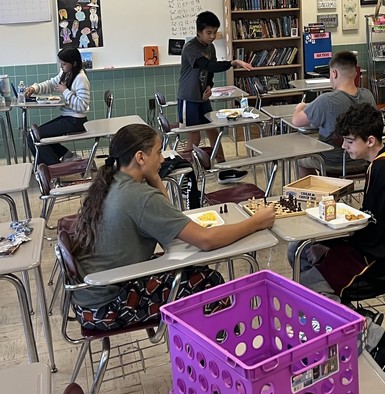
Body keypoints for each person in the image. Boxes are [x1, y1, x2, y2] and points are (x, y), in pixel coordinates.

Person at [70, 124, 275, 330]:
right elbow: (206, 240)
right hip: (109, 306)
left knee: (191, 271)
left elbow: (168, 218)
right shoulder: (139, 196)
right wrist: (256, 222)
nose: (162, 159)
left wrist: (155, 178)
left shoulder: (112, 180)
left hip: (89, 299)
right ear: (140, 157)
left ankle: (201, 344)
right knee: (208, 282)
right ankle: (226, 355)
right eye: (158, 153)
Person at [288, 103, 385, 379]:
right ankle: (355, 317)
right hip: (381, 243)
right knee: (298, 251)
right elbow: (375, 222)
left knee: (311, 291)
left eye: (350, 141)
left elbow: (380, 231)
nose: (345, 147)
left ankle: (384, 343)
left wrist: (333, 244)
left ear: (370, 140)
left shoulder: (383, 171)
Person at [178, 11, 253, 184]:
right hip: (188, 99)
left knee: (213, 132)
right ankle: (185, 176)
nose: (212, 37)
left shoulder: (210, 47)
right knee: (194, 138)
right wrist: (232, 63)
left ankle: (222, 169)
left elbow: (209, 71)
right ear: (199, 32)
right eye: (208, 33)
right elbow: (206, 64)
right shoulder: (190, 48)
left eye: (214, 32)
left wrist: (209, 86)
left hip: (203, 99)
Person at [291, 51, 375, 177]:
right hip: (364, 159)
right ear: (355, 73)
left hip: (331, 161)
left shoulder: (326, 100)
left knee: (299, 159)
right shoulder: (368, 95)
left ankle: (317, 191)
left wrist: (299, 107)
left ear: (334, 73)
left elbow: (296, 121)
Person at [24, 48, 90, 165]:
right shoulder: (66, 73)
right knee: (36, 135)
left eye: (64, 64)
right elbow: (51, 84)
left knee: (33, 136)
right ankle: (66, 156)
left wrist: (65, 91)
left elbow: (82, 106)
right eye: (60, 63)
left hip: (76, 121)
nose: (61, 66)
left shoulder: (81, 78)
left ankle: (53, 167)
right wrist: (35, 88)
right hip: (68, 118)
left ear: (74, 63)